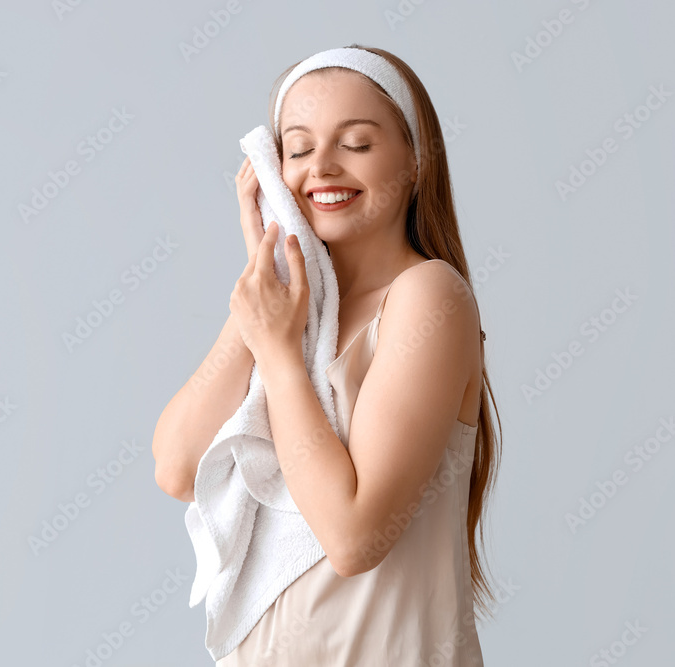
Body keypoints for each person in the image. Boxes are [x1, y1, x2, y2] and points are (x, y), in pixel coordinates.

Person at [152, 44, 502, 665]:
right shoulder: (289, 317)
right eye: (298, 148)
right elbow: (178, 468)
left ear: (416, 162)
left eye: (357, 144)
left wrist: (281, 358)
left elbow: (353, 536)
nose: (323, 168)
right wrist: (270, 273)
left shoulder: (428, 297)